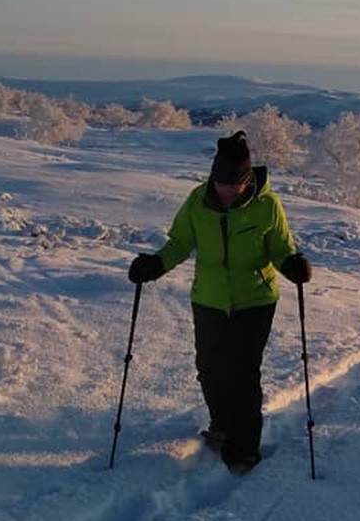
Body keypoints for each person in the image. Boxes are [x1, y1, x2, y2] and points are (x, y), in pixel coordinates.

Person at [128, 130, 311, 474]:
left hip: (255, 300)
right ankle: (223, 425)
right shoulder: (198, 201)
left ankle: (243, 449)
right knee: (210, 368)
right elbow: (181, 241)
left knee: (243, 373)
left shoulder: (267, 206)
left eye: (234, 185)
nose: (226, 191)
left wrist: (291, 265)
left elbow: (280, 247)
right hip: (209, 299)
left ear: (247, 180)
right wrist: (155, 264)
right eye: (220, 183)